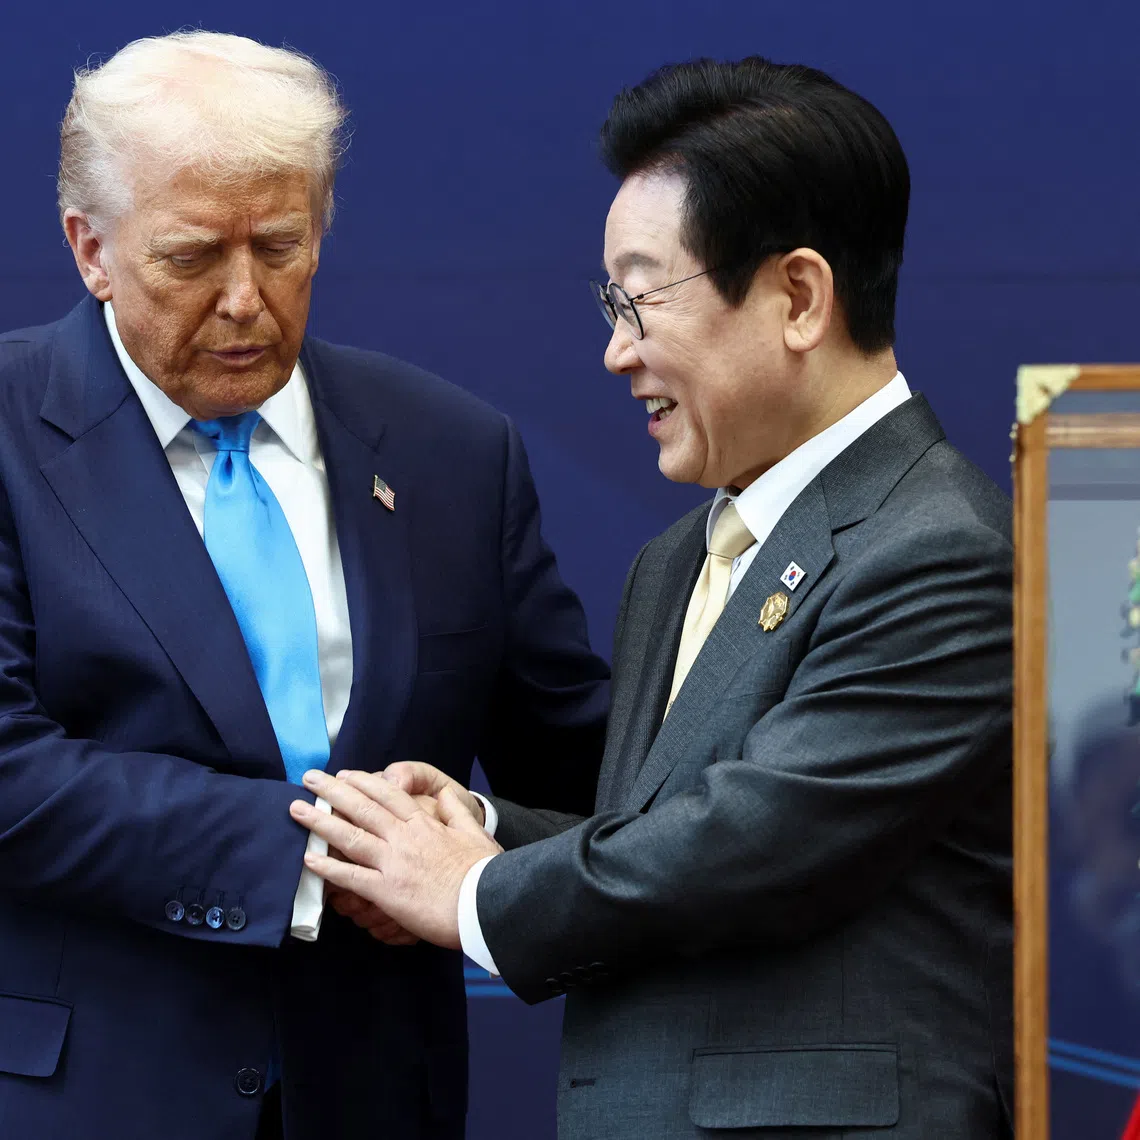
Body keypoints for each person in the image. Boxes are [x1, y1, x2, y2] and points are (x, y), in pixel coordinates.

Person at [293, 57, 1014, 1138]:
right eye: (609, 304)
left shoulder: (938, 549)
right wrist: (478, 823)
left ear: (800, 298)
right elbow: (653, 826)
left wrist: (471, 893)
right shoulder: (676, 559)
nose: (615, 351)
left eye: (639, 301)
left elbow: (752, 845)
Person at [0, 30, 608, 1140]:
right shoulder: (6, 427)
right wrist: (332, 861)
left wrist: (474, 835)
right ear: (90, 248)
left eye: (281, 246)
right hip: (85, 1100)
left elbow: (581, 769)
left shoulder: (452, 451)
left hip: (378, 1093)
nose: (245, 300)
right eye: (191, 257)